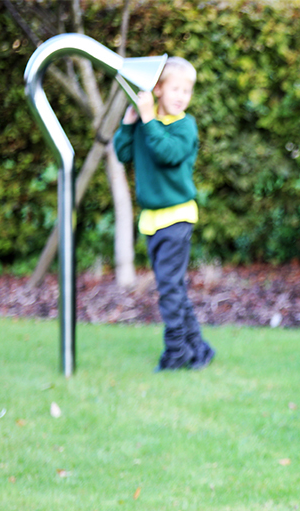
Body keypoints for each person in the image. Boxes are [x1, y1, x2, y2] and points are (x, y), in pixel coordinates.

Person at [113, 56, 214, 371]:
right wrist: (129, 125)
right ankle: (199, 348)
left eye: (187, 90)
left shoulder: (185, 126)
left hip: (178, 218)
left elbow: (167, 153)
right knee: (173, 287)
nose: (182, 96)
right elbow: (122, 152)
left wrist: (148, 121)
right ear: (157, 89)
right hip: (152, 221)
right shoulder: (147, 124)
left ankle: (176, 352)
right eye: (176, 89)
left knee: (169, 287)